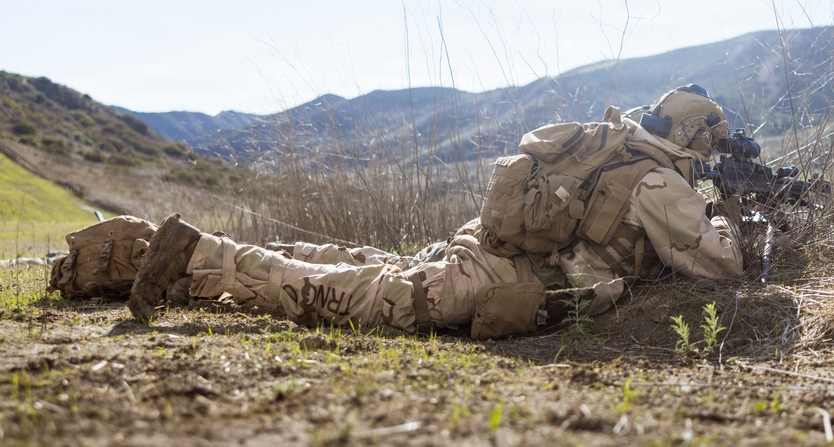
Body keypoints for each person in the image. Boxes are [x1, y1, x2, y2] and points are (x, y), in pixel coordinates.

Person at [126, 85, 744, 337]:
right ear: (694, 136)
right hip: (502, 276)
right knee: (376, 297)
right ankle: (204, 254)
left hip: (485, 248)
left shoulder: (617, 147)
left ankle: (198, 271)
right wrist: (725, 216)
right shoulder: (660, 180)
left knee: (375, 266)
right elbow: (720, 269)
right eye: (709, 143)